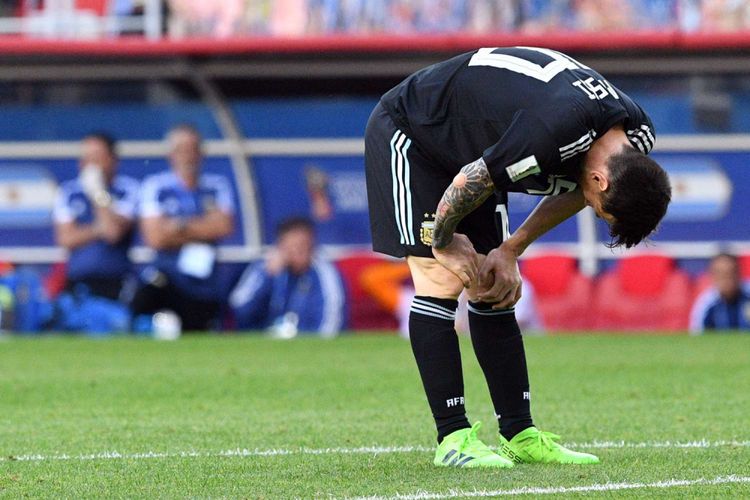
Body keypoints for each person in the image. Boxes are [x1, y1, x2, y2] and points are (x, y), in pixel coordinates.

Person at [365, 47, 671, 468]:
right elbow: (470, 180)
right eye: (603, 211)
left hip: (472, 153)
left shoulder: (635, 139)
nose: (593, 209)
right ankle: (452, 438)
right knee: (440, 277)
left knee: (492, 284)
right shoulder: (553, 130)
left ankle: (518, 432)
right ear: (602, 181)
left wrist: (510, 249)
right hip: (414, 133)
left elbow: (578, 192)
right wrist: (442, 237)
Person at [130, 124, 235, 332]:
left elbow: (223, 226)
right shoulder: (157, 186)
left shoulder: (216, 185)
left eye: (193, 148)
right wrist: (202, 228)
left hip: (203, 282)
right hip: (168, 276)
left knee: (200, 328)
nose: (188, 156)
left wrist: (179, 226)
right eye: (182, 149)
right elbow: (155, 238)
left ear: (201, 152)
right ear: (171, 154)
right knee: (142, 300)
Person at [53, 132, 138, 301]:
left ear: (113, 159)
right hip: (78, 281)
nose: (90, 164)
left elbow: (113, 232)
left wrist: (98, 193)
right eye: (86, 158)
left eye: (97, 157)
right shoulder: (70, 192)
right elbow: (66, 239)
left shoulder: (127, 189)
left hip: (115, 281)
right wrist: (98, 228)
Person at [229, 217, 345, 337]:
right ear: (280, 246)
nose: (297, 252)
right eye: (291, 247)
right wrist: (267, 276)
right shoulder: (264, 267)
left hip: (307, 344)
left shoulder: (324, 272)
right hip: (265, 343)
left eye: (303, 246)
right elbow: (239, 308)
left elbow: (331, 321)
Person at [690, 253, 750, 333]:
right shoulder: (706, 304)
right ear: (713, 276)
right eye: (722, 275)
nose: (727, 279)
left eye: (731, 273)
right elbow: (697, 335)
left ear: (739, 272)